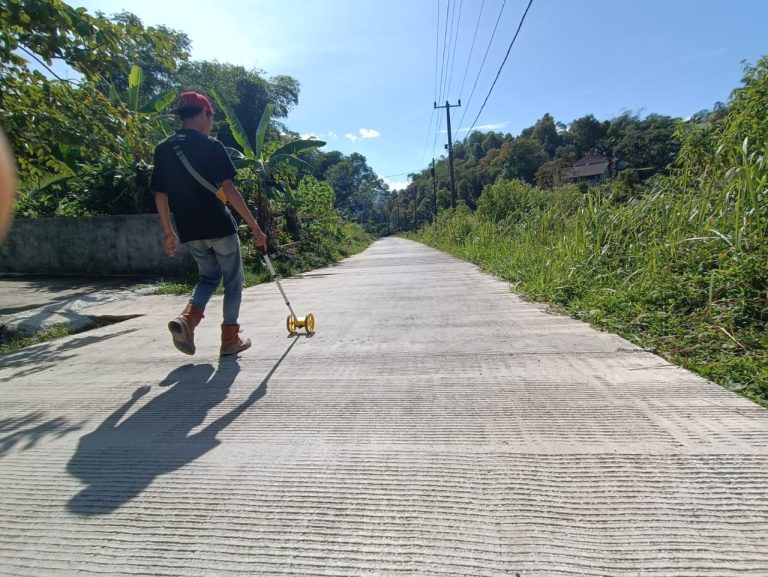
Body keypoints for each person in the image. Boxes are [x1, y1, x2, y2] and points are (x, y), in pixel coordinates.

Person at [151, 91, 267, 356]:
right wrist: (256, 228)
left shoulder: (163, 149)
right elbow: (230, 190)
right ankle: (230, 339)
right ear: (203, 114)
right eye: (211, 116)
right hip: (219, 227)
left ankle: (188, 320)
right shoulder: (212, 146)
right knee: (233, 282)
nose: (211, 122)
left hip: (190, 232)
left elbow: (160, 194)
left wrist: (169, 232)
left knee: (207, 277)